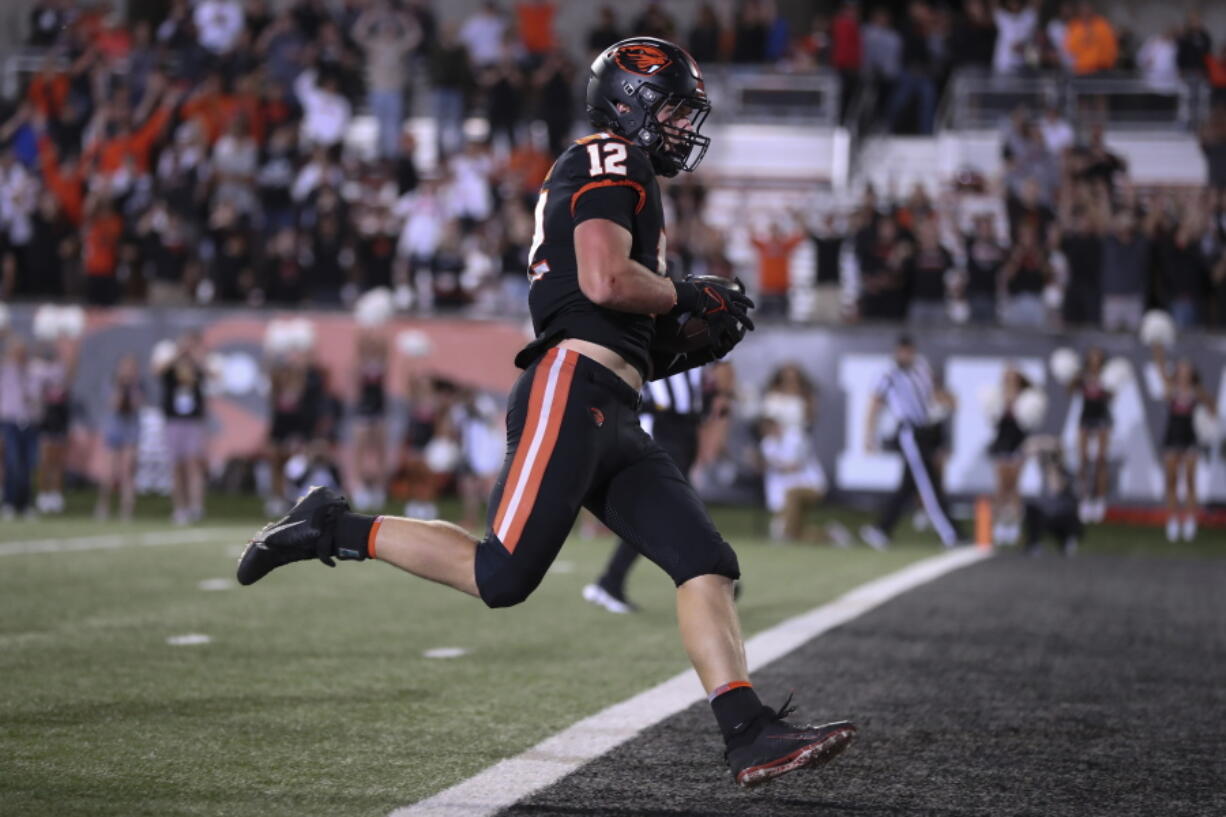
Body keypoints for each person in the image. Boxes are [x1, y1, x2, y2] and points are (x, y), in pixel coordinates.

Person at [236, 37, 856, 788]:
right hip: (572, 387)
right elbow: (601, 280)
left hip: (614, 402)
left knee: (706, 563)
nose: (683, 128)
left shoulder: (618, 171)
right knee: (501, 574)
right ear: (630, 103)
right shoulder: (609, 157)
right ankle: (331, 525)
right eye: (674, 109)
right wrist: (687, 295)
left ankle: (748, 730)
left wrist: (679, 341)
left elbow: (617, 316)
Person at [584, 366, 707, 614]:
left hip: (684, 427)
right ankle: (711, 573)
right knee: (667, 508)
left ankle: (611, 580)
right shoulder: (658, 335)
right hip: (661, 424)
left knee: (669, 509)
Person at [860, 335, 962, 550]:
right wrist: (868, 436)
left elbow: (935, 393)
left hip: (927, 430)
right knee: (928, 484)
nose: (905, 355)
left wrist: (947, 401)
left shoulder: (921, 367)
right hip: (909, 433)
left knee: (909, 485)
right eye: (901, 351)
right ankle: (951, 533)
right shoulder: (887, 375)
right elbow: (874, 405)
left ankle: (882, 529)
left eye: (908, 351)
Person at [1152, 344, 1215, 542]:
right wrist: (1157, 347)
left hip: (1190, 439)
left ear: (1192, 372)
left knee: (1190, 481)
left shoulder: (1197, 391)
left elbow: (1212, 410)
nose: (1184, 371)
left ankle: (1189, 520)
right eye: (1181, 368)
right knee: (1171, 481)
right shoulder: (1171, 389)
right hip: (1172, 437)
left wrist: (1207, 417)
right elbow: (1161, 369)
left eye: (1187, 368)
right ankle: (1172, 520)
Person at [157, 331, 209, 524]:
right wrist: (178, 354)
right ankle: (180, 508)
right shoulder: (171, 362)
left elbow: (211, 373)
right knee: (176, 465)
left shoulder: (197, 362)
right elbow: (158, 371)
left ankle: (196, 506)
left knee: (193, 463)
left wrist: (194, 356)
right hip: (173, 419)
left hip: (193, 420)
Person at [96, 354, 143, 520]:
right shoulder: (111, 383)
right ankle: (103, 507)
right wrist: (121, 387)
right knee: (109, 471)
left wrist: (131, 389)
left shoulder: (138, 386)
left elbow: (137, 405)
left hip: (131, 431)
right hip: (114, 429)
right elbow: (113, 404)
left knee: (129, 470)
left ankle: (127, 510)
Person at [988, 365, 1031, 544]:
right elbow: (994, 420)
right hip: (1002, 443)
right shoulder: (998, 396)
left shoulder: (1027, 398)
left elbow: (1027, 421)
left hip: (1017, 443)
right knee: (1001, 487)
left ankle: (1013, 526)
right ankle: (997, 525)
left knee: (1014, 486)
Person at [1069, 346, 1112, 522]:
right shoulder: (1082, 375)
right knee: (1083, 459)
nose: (1094, 359)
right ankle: (1084, 499)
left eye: (1097, 356)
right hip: (1086, 417)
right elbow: (1069, 390)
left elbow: (1111, 395)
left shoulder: (1108, 375)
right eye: (1092, 356)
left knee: (1101, 460)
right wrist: (1076, 378)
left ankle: (1100, 500)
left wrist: (1104, 384)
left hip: (1102, 417)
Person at [0, 339, 41, 519]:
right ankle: (9, 502)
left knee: (27, 465)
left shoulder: (32, 372)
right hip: (10, 422)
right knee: (12, 462)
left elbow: (37, 398)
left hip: (29, 422)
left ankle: (24, 504)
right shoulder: (6, 371)